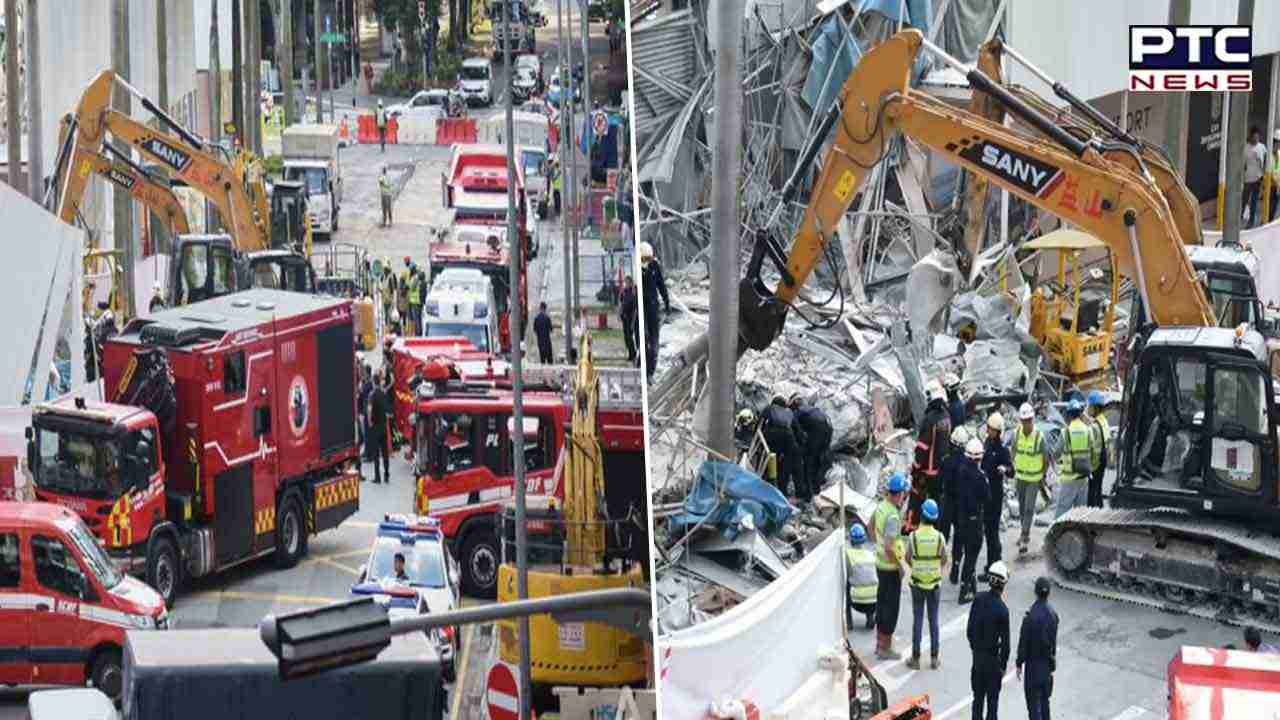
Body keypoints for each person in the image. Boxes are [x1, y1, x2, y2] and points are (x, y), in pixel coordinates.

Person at [906, 499, 948, 670]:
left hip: (917, 584)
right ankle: (934, 658)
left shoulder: (913, 536)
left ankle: (915, 659)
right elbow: (944, 559)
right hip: (934, 585)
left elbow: (908, 558)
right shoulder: (939, 537)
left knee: (917, 620)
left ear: (922, 515)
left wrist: (918, 567)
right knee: (933, 621)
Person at [873, 472, 911, 660]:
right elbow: (889, 546)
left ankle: (879, 643)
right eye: (904, 493)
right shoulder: (893, 517)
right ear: (898, 494)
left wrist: (876, 545)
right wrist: (900, 566)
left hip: (880, 563)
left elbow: (870, 527)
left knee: (882, 604)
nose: (904, 496)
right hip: (889, 567)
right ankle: (885, 648)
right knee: (890, 608)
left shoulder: (881, 507)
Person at [967, 561, 1011, 720]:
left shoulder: (978, 599)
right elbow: (1006, 644)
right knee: (992, 704)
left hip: (978, 658)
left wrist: (976, 649)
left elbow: (969, 631)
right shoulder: (1002, 610)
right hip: (993, 661)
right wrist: (1003, 665)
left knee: (977, 700)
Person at [911, 381, 953, 531]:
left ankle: (918, 529)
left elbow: (922, 447)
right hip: (941, 468)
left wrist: (915, 467)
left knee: (920, 500)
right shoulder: (946, 415)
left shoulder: (930, 419)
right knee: (937, 500)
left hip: (927, 470)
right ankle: (939, 529)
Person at [953, 437, 990, 604]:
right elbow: (987, 497)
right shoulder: (980, 477)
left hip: (961, 518)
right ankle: (965, 589)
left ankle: (970, 583)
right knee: (971, 556)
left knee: (966, 552)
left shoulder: (960, 472)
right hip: (974, 520)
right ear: (979, 458)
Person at [1018, 577, 1060, 720]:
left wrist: (1019, 663)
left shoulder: (1030, 617)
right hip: (1046, 665)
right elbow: (1053, 643)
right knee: (1045, 703)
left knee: (1033, 707)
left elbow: (1023, 642)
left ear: (1035, 592)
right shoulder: (1054, 615)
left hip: (1033, 666)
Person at [1013, 403, 1050, 556]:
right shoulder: (1017, 433)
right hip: (1020, 477)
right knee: (1022, 508)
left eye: (1029, 419)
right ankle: (1023, 531)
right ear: (1021, 421)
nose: (1027, 423)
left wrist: (1042, 474)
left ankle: (1024, 536)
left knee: (1029, 508)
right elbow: (1013, 450)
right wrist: (1013, 466)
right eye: (1024, 420)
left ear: (1033, 419)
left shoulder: (1039, 437)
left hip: (1034, 479)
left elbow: (1046, 459)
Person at [979, 412, 1011, 577]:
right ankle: (992, 565)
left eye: (991, 429)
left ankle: (994, 567)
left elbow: (1011, 470)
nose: (988, 431)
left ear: (998, 431)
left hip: (995, 497)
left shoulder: (1002, 450)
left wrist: (1005, 469)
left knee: (992, 533)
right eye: (988, 428)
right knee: (989, 532)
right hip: (986, 496)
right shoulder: (987, 444)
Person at [940, 424, 971, 579]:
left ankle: (938, 565)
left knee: (942, 536)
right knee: (959, 537)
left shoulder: (946, 461)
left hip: (948, 503)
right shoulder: (967, 463)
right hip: (961, 505)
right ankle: (955, 568)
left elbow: (941, 482)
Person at [791, 394, 833, 504]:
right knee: (819, 462)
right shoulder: (814, 409)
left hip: (816, 433)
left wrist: (800, 446)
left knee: (808, 465)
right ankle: (816, 490)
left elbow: (795, 429)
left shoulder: (798, 412)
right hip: (827, 430)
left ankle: (808, 497)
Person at [1055, 399, 1093, 519]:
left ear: (1069, 415)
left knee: (1062, 511)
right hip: (1083, 476)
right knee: (1080, 513)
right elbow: (1091, 448)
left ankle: (1057, 536)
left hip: (1069, 478)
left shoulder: (1065, 432)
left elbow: (1056, 453)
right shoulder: (1088, 430)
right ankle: (1080, 535)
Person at [760, 395, 803, 497]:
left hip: (772, 435)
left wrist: (758, 435)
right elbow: (797, 429)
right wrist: (801, 442)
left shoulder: (769, 408)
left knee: (771, 458)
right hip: (788, 437)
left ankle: (769, 484)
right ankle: (783, 490)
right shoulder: (789, 412)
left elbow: (760, 422)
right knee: (785, 464)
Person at [640, 242, 670, 382]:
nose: (646, 262)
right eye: (644, 259)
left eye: (648, 259)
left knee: (654, 344)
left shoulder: (654, 266)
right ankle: (644, 369)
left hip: (653, 309)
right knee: (644, 342)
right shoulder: (639, 271)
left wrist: (667, 303)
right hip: (642, 311)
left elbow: (661, 285)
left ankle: (650, 372)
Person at [845, 524, 878, 631]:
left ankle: (848, 622)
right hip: (874, 600)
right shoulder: (871, 554)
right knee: (867, 580)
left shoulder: (847, 554)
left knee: (846, 585)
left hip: (857, 601)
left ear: (850, 539)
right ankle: (870, 617)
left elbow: (848, 574)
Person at [1085, 391, 1109, 508]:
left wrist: (1090, 466)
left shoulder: (1095, 425)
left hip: (1097, 460)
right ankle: (1100, 511)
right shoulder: (1103, 420)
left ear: (1095, 407)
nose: (1088, 409)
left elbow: (1095, 447)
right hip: (1103, 459)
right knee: (1098, 489)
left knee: (1092, 491)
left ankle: (1092, 514)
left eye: (1089, 406)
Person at [367, 370, 391, 484]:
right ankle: (386, 474)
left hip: (375, 426)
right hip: (383, 426)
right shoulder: (383, 393)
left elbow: (370, 409)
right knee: (385, 452)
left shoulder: (371, 394)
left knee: (376, 453)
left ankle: (377, 477)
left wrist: (369, 421)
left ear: (373, 381)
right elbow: (387, 409)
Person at [1245, 126, 1267, 227]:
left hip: (1258, 178)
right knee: (1244, 199)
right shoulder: (1246, 147)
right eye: (1254, 137)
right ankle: (1242, 217)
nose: (1256, 139)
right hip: (1247, 178)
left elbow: (1266, 160)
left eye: (1257, 137)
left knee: (1254, 201)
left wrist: (1263, 175)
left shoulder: (1262, 147)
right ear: (1251, 136)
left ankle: (1251, 221)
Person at [619, 276, 639, 364]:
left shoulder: (634, 292)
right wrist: (619, 313)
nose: (626, 284)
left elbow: (635, 308)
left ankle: (634, 354)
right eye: (625, 282)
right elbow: (620, 303)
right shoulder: (623, 292)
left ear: (631, 283)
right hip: (624, 317)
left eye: (628, 282)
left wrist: (633, 321)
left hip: (631, 317)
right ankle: (631, 354)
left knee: (631, 337)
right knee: (626, 337)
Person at [357, 364, 373, 463]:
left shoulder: (368, 383)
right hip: (364, 410)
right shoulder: (367, 382)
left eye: (364, 372)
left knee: (367, 433)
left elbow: (362, 392)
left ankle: (368, 454)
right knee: (365, 432)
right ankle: (367, 452)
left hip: (366, 411)